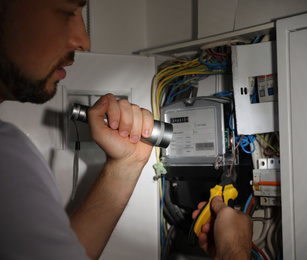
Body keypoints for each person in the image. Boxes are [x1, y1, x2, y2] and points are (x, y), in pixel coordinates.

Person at [0, 0, 252, 259]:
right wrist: (235, 250)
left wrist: (126, 163)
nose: (83, 41)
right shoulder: (7, 154)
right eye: (67, 12)